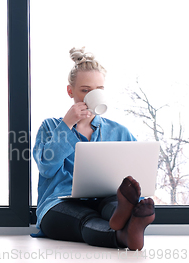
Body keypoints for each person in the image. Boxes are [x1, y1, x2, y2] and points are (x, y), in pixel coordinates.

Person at [31, 47, 155, 250]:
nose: (91, 95)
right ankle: (123, 236)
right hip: (59, 203)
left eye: (98, 90)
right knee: (85, 220)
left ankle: (124, 219)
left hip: (104, 198)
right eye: (85, 90)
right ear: (71, 91)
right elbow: (47, 168)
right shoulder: (50, 127)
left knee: (114, 204)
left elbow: (138, 171)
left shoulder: (118, 132)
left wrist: (137, 198)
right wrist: (67, 124)